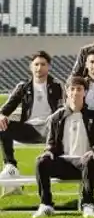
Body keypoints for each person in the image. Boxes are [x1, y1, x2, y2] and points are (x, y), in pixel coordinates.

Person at [33, 76, 94, 218]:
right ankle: (46, 205)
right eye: (72, 89)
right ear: (67, 92)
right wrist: (48, 152)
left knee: (90, 160)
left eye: (79, 89)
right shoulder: (57, 118)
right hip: (63, 162)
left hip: (85, 164)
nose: (75, 93)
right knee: (41, 161)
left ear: (85, 92)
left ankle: (88, 204)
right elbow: (51, 143)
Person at [0, 52, 64, 185]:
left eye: (43, 64)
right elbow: (7, 108)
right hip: (28, 129)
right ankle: (10, 166)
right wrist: (1, 115)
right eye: (36, 64)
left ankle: (59, 165)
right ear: (31, 67)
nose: (39, 68)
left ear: (49, 67)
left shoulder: (57, 86)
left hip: (49, 129)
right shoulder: (23, 87)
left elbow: (61, 109)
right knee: (1, 124)